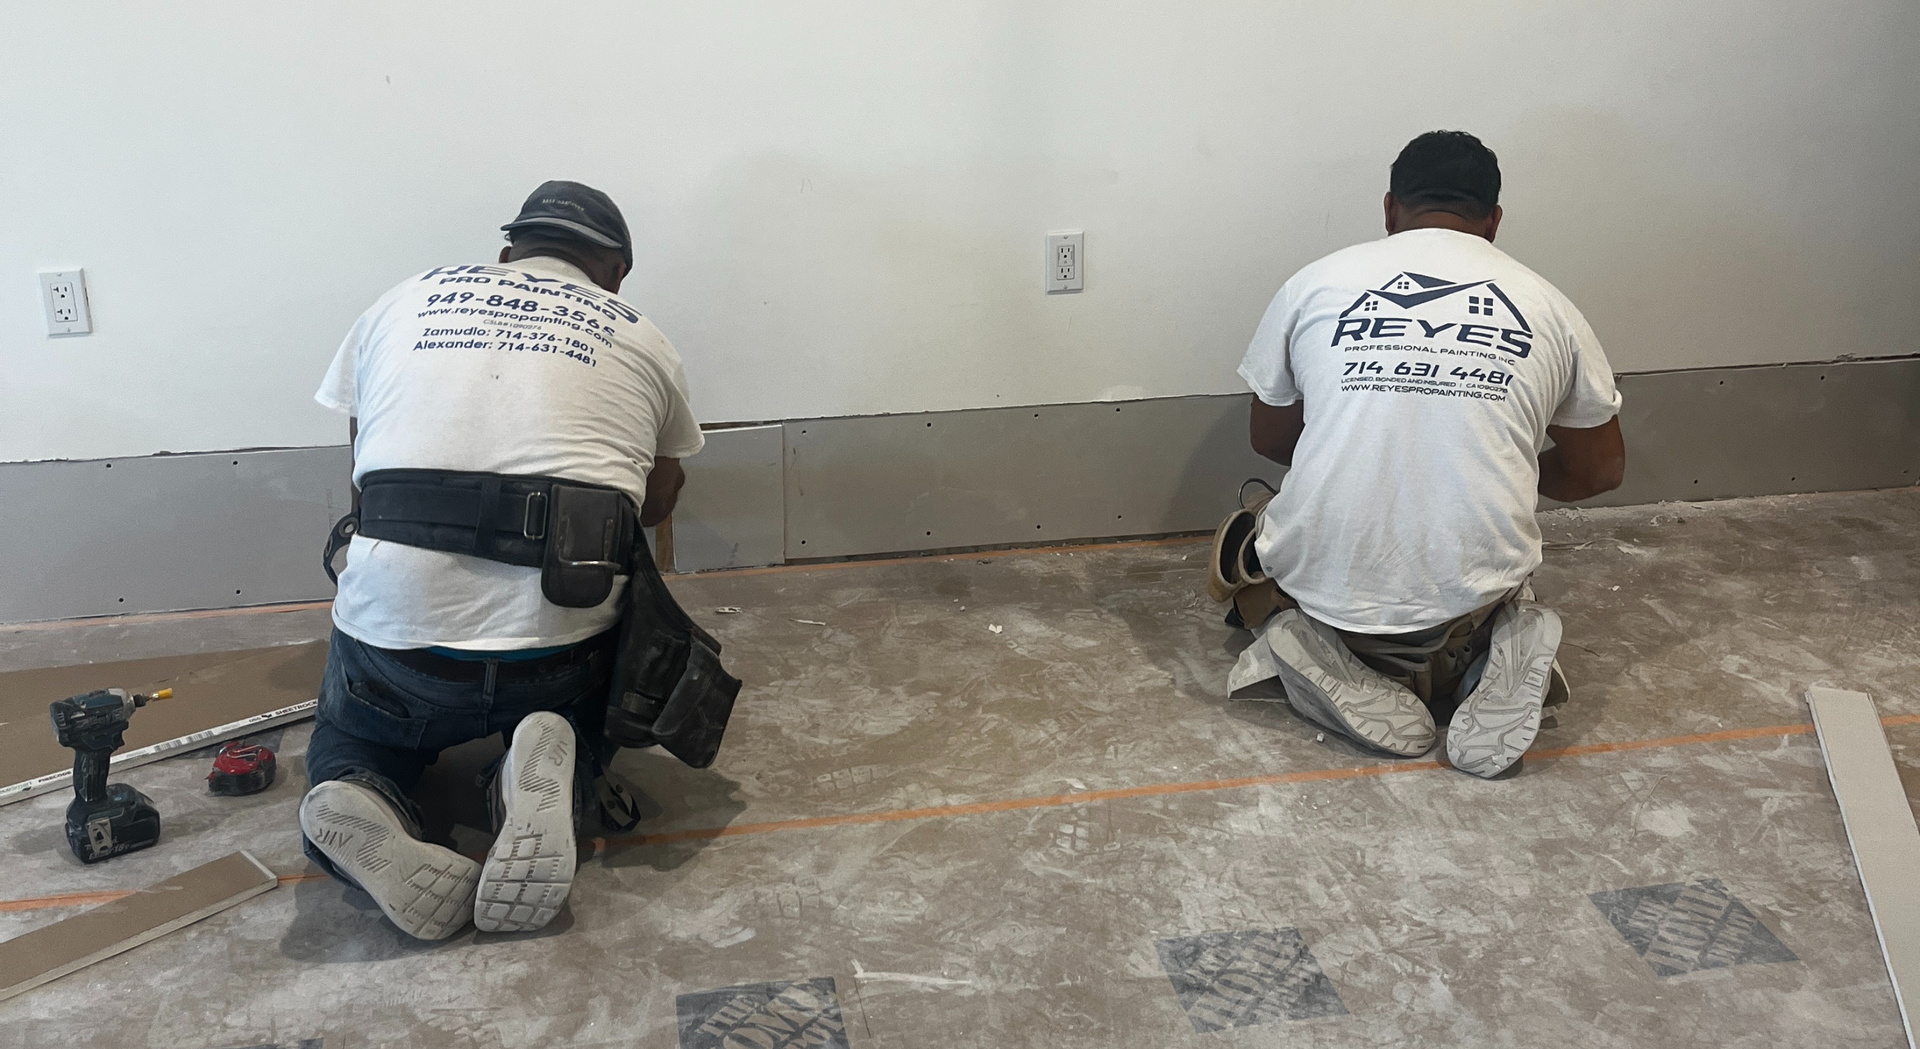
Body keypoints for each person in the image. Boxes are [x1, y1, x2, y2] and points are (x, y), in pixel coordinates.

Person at [301, 181, 706, 939]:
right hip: (557, 642)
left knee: (352, 737)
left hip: (398, 639)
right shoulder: (642, 334)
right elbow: (656, 502)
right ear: (614, 272)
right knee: (605, 645)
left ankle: (361, 785)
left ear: (506, 253)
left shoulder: (403, 300)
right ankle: (553, 759)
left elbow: (363, 463)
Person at [1225, 131, 1625, 779]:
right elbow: (1601, 469)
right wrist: (1502, 461)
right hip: (1470, 605)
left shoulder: (1314, 284)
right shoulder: (1550, 305)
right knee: (1490, 567)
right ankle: (1499, 645)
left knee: (1247, 533)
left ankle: (1309, 647)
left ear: (1390, 211)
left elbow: (1268, 441)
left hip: (1333, 603)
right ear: (1493, 221)